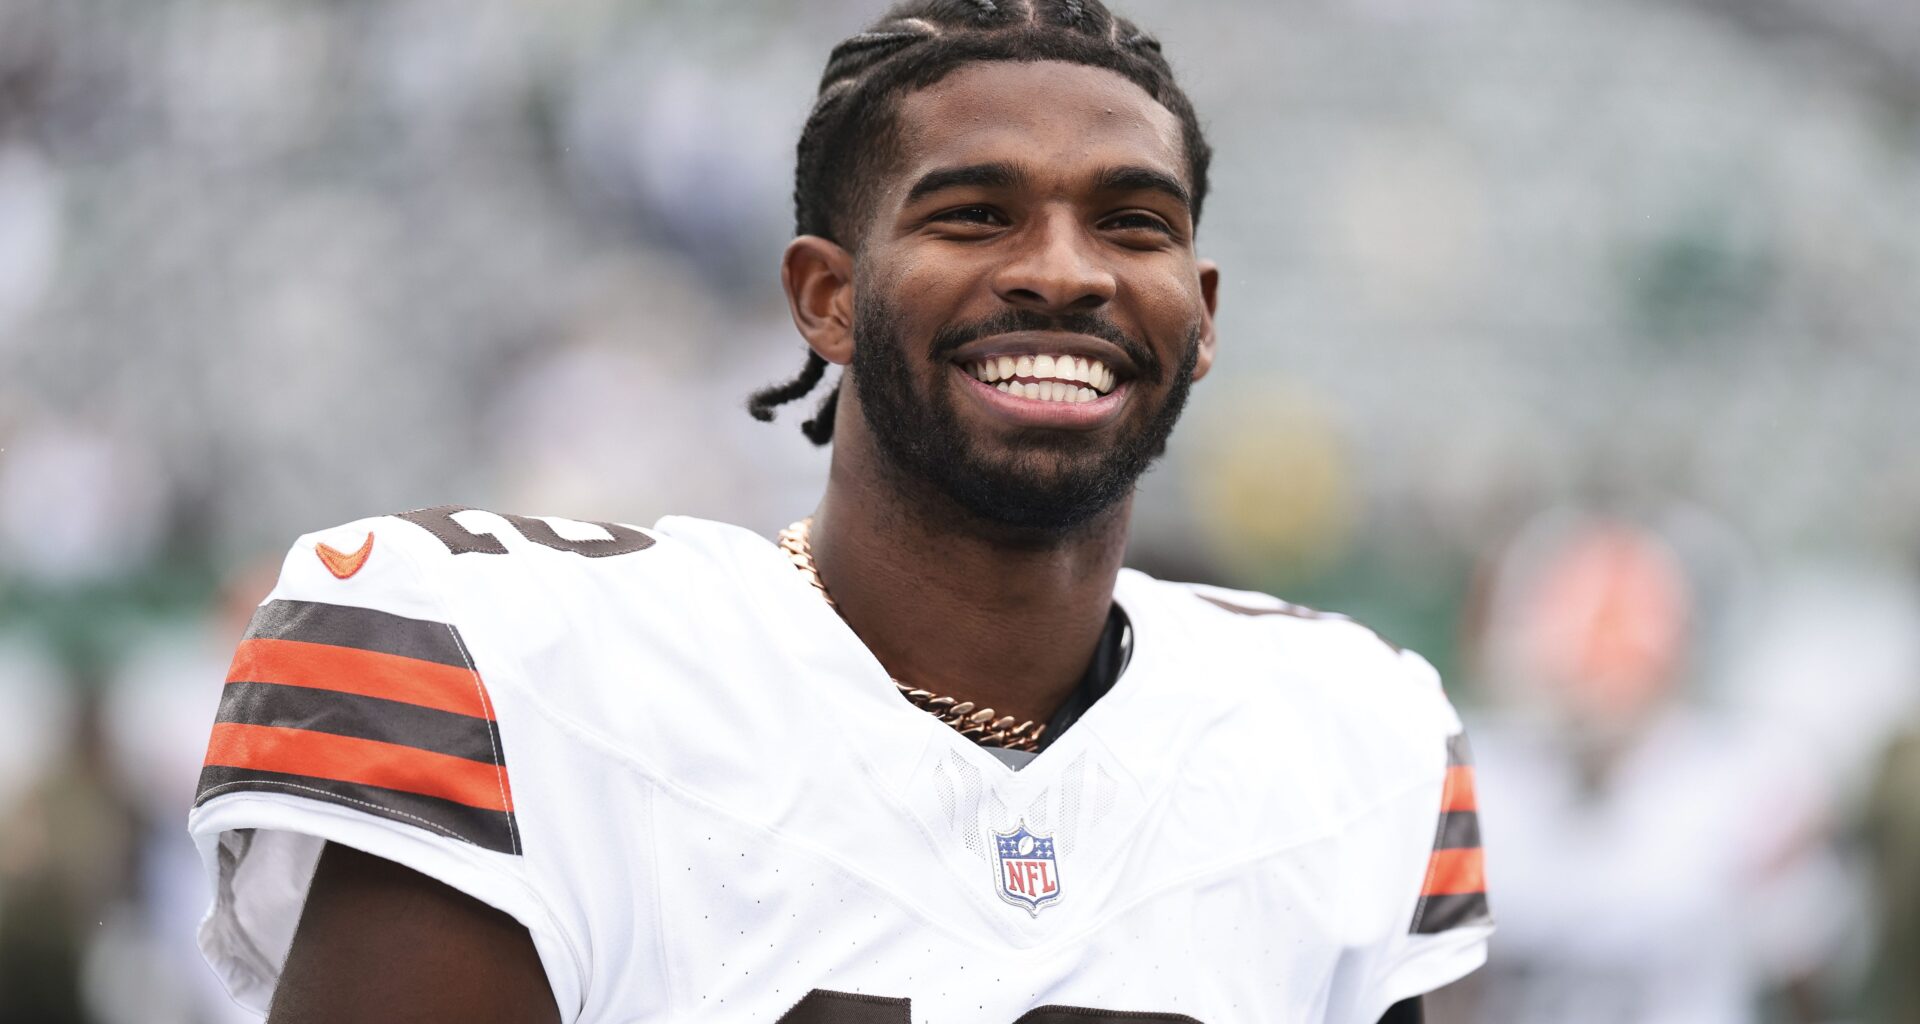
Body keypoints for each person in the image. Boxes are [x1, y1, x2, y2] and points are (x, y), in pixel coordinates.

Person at [187, 2, 1491, 1021]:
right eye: (976, 214)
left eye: (1131, 223)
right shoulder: (522, 666)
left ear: (1200, 315)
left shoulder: (1351, 736)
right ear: (825, 297)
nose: (1063, 270)